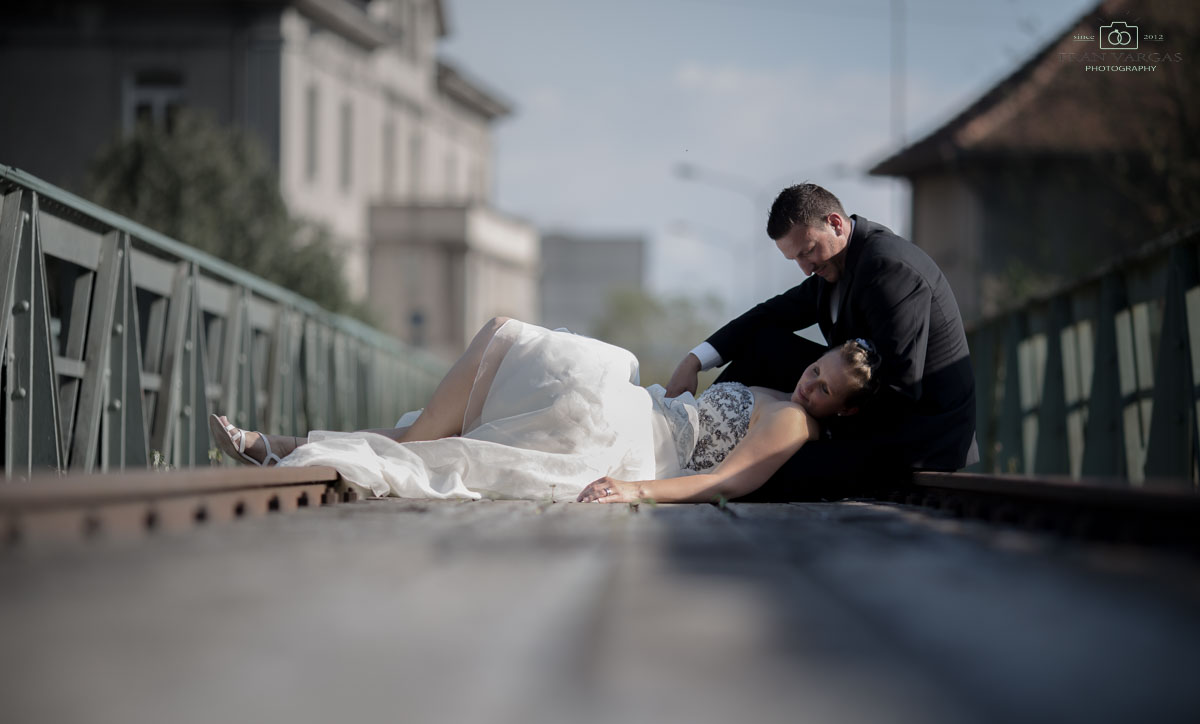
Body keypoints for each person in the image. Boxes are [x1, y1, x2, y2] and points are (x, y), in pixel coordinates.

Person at [210, 316, 881, 504]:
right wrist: (692, 369)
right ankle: (286, 443)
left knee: (468, 402)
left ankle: (287, 445)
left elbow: (725, 480)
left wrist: (636, 491)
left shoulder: (795, 424)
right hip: (642, 411)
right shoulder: (780, 388)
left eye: (826, 392)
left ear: (843, 414)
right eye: (815, 371)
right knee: (462, 408)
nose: (810, 388)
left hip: (638, 443)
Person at [664, 183, 977, 500]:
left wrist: (811, 429)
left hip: (914, 434)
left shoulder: (888, 267)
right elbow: (767, 315)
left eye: (807, 251)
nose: (805, 269)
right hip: (860, 407)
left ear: (835, 224)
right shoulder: (835, 264)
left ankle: (705, 469)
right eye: (795, 259)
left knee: (765, 471)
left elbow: (900, 388)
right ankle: (699, 438)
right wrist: (694, 361)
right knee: (765, 344)